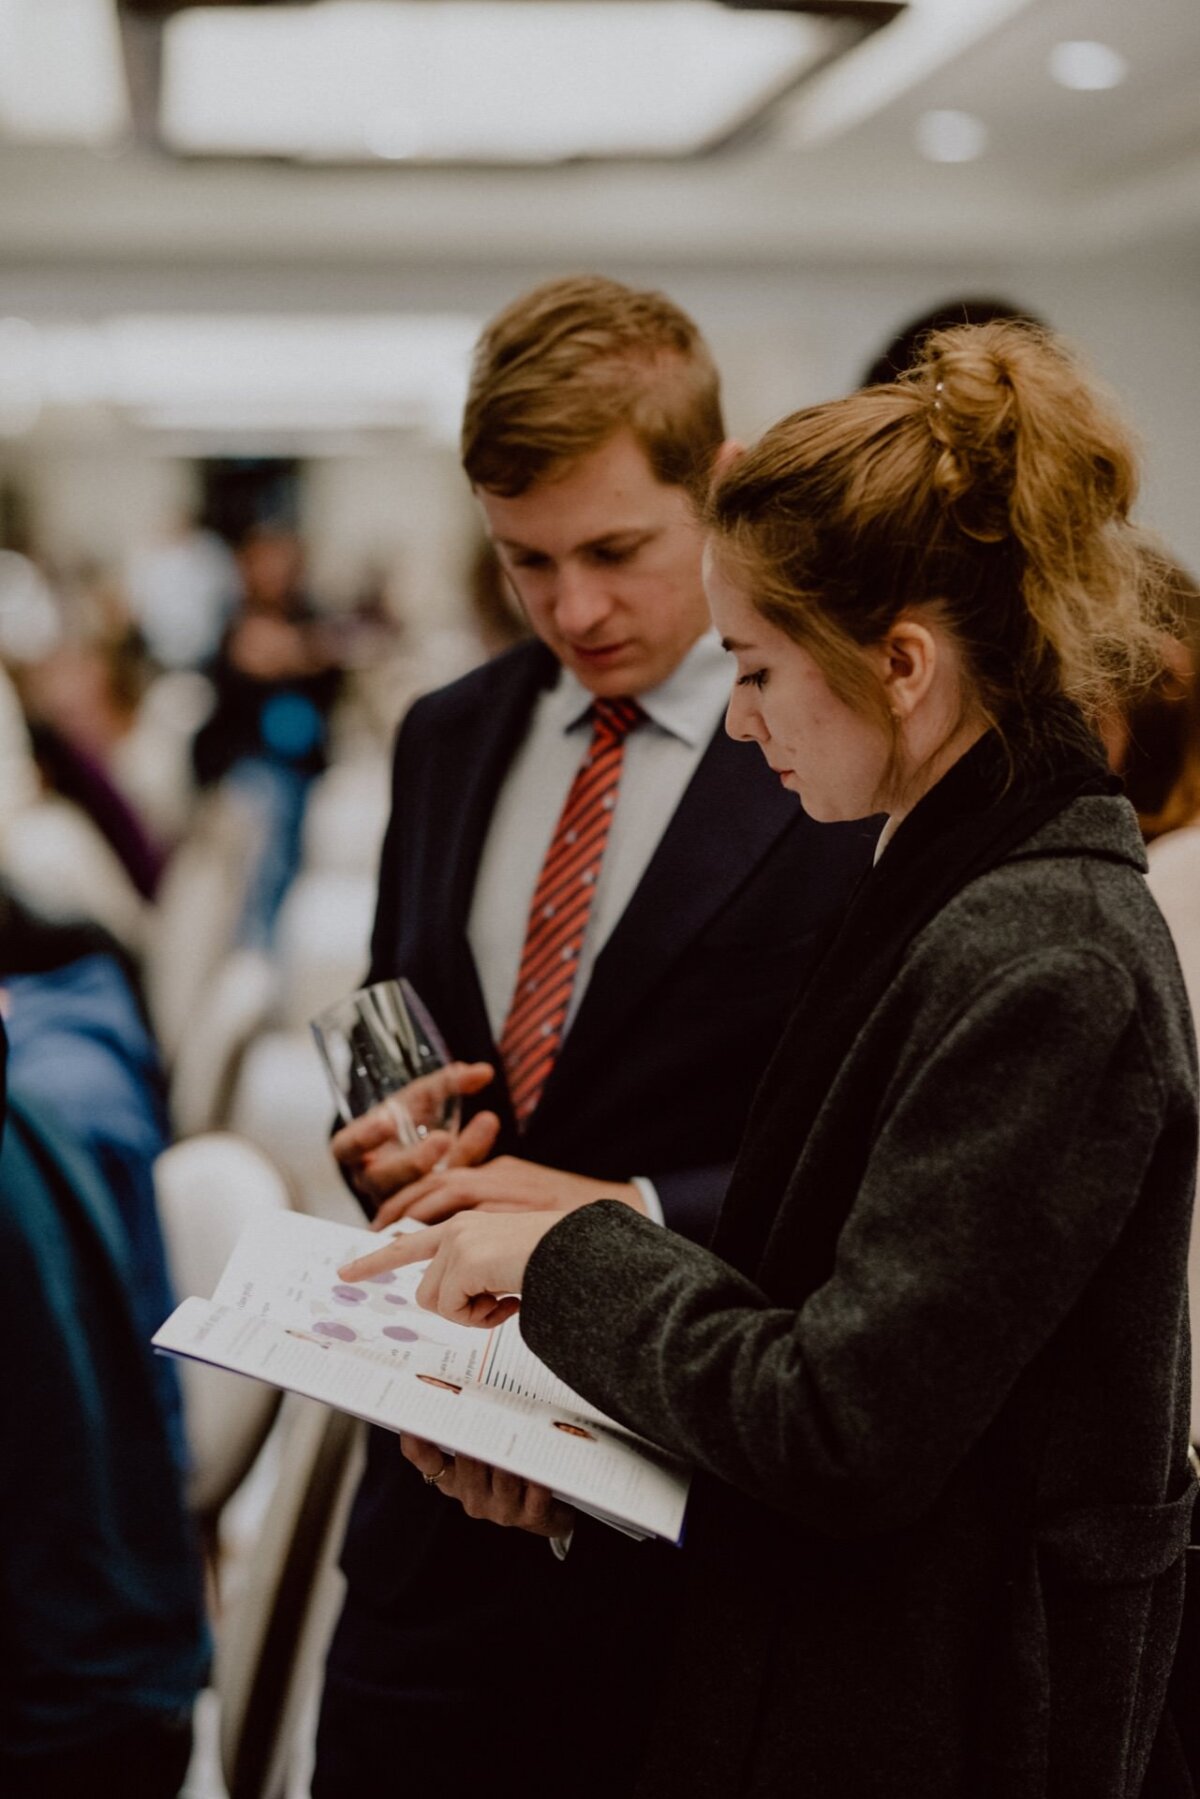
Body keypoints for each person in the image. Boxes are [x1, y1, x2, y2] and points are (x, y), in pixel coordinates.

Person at [342, 319, 1200, 1797]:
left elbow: (846, 1424)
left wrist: (570, 1256)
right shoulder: (946, 888)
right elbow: (839, 1347)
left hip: (945, 1710)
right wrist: (575, 1489)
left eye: (753, 670)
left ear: (906, 668)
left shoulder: (1047, 956)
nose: (736, 721)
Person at [312, 275, 878, 1796]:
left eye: (619, 552)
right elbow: (405, 1026)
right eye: (527, 564)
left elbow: (865, 1161)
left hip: (682, 1506)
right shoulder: (451, 734)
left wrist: (614, 1220)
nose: (575, 611)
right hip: (432, 1507)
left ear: (718, 490)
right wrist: (381, 1144)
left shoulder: (837, 761)